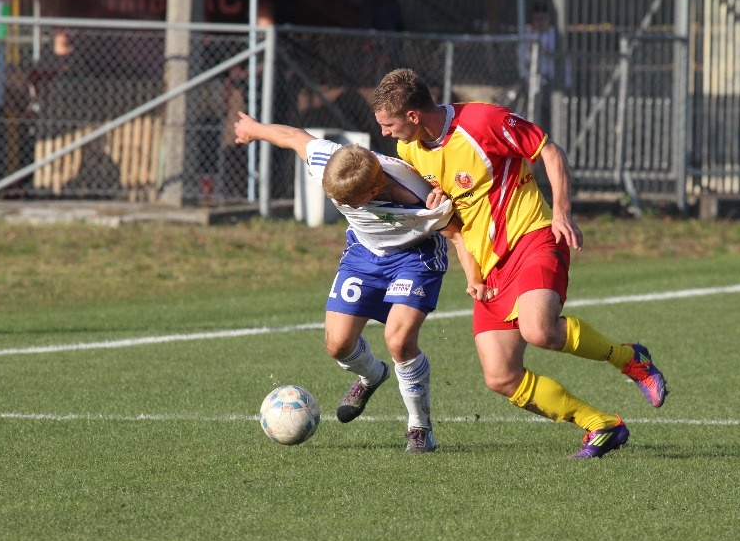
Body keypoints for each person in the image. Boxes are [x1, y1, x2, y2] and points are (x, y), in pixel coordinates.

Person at [370, 68, 668, 459]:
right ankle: (601, 425)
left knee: (539, 330)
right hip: (490, 267)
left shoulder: (482, 121)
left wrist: (561, 211)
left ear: (413, 116)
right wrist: (466, 260)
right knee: (500, 377)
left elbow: (549, 150)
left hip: (534, 237)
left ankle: (631, 359)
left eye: (388, 124)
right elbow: (453, 223)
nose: (385, 134)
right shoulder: (410, 151)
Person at [233, 112, 491, 453]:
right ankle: (372, 375)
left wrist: (474, 279)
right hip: (364, 253)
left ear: (373, 191)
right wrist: (254, 130)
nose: (340, 205)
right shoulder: (335, 162)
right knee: (337, 345)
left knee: (398, 340)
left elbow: (457, 235)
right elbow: (295, 136)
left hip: (415, 257)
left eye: (348, 202)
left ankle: (419, 427)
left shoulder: (421, 199)